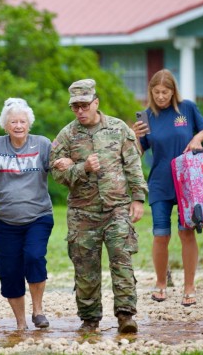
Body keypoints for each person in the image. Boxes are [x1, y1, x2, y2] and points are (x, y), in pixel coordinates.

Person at [49, 79, 147, 334]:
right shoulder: (67, 135)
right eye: (75, 107)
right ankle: (90, 319)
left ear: (96, 103)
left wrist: (138, 199)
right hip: (83, 213)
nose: (79, 111)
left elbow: (133, 166)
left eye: (84, 105)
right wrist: (82, 168)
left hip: (117, 209)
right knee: (85, 269)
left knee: (122, 262)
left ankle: (126, 316)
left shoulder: (118, 128)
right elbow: (56, 173)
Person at [0, 98, 54, 330]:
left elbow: (57, 167)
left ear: (29, 123)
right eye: (13, 122)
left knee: (34, 257)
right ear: (5, 125)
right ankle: (21, 323)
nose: (18, 125)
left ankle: (38, 310)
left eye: (22, 121)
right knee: (10, 271)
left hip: (38, 216)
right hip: (5, 220)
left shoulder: (42, 144)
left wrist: (66, 159)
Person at [132, 68, 203, 308]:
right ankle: (160, 283)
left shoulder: (186, 108)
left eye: (165, 92)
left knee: (186, 232)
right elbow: (138, 152)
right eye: (156, 92)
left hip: (188, 181)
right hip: (160, 181)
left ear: (173, 91)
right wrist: (134, 137)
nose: (160, 97)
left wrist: (198, 139)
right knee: (160, 234)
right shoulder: (146, 116)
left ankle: (189, 287)